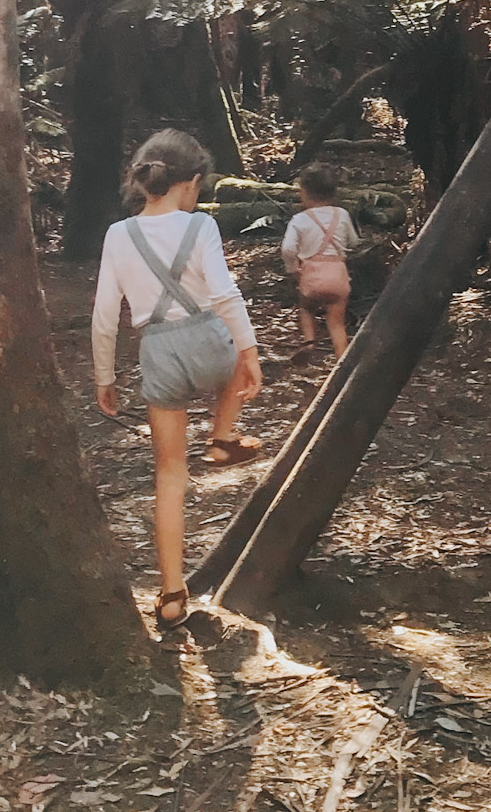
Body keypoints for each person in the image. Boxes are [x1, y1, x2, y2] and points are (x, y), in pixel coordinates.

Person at [92, 129, 263, 635]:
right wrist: (250, 353)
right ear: (189, 184)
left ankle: (170, 596)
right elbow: (225, 294)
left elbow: (105, 315)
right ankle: (223, 437)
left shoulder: (119, 235)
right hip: (211, 344)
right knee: (230, 361)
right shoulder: (202, 225)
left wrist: (105, 375)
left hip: (160, 354)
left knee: (169, 476)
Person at [281, 164, 358, 360]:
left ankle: (309, 341)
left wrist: (293, 269)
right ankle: (341, 358)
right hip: (337, 276)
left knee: (306, 307)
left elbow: (288, 249)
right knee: (337, 322)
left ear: (304, 192)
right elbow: (354, 241)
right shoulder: (342, 215)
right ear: (334, 192)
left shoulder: (299, 219)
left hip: (311, 276)